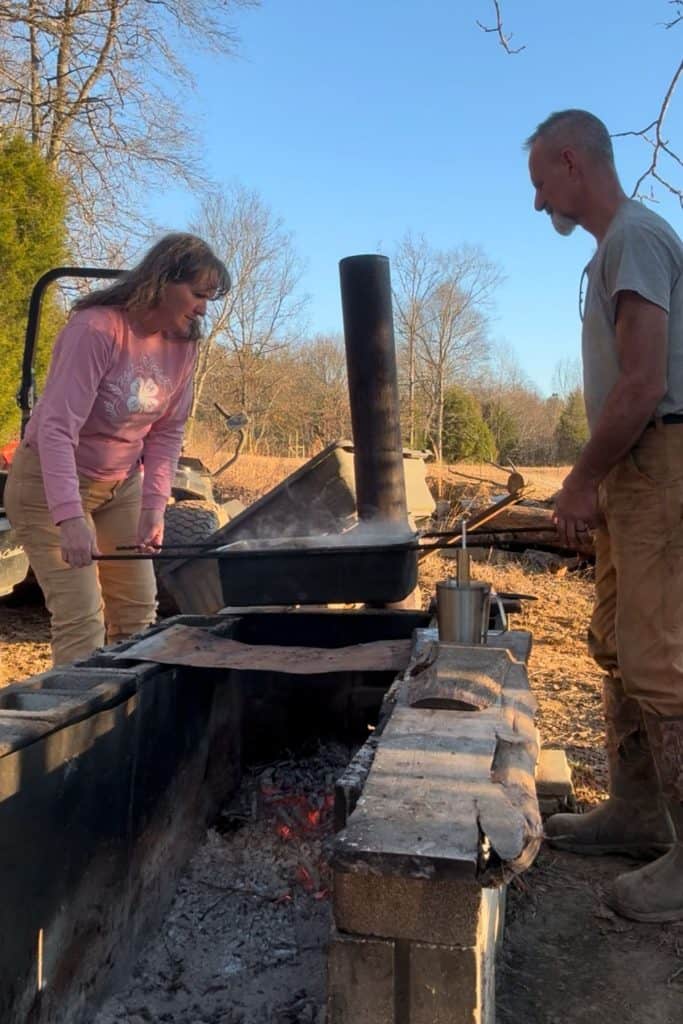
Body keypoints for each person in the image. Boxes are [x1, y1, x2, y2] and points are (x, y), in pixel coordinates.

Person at [525, 109, 683, 923]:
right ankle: (636, 812)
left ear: (569, 161)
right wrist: (598, 479)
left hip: (661, 460)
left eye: (538, 184)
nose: (536, 202)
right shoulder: (610, 250)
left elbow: (644, 382)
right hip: (632, 466)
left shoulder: (635, 238)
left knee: (660, 660)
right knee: (618, 643)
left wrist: (580, 481)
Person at [5, 233, 231, 667]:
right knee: (82, 621)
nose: (203, 309)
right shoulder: (96, 329)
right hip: (47, 486)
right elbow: (56, 428)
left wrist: (154, 508)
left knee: (137, 616)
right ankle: (74, 709)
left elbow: (167, 431)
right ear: (162, 281)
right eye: (198, 295)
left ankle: (128, 706)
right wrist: (70, 517)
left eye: (209, 299)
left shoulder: (183, 344)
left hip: (121, 485)